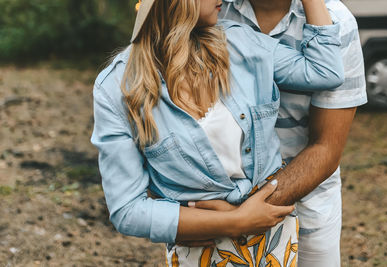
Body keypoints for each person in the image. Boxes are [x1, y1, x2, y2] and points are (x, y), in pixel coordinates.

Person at [91, 0, 344, 266]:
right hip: (201, 248)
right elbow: (127, 210)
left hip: (271, 240)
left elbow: (324, 71)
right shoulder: (117, 89)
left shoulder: (239, 42)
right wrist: (234, 222)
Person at [212, 0, 367, 266]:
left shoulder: (335, 21)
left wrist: (242, 214)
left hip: (306, 203)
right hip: (216, 199)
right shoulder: (212, 9)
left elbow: (326, 148)